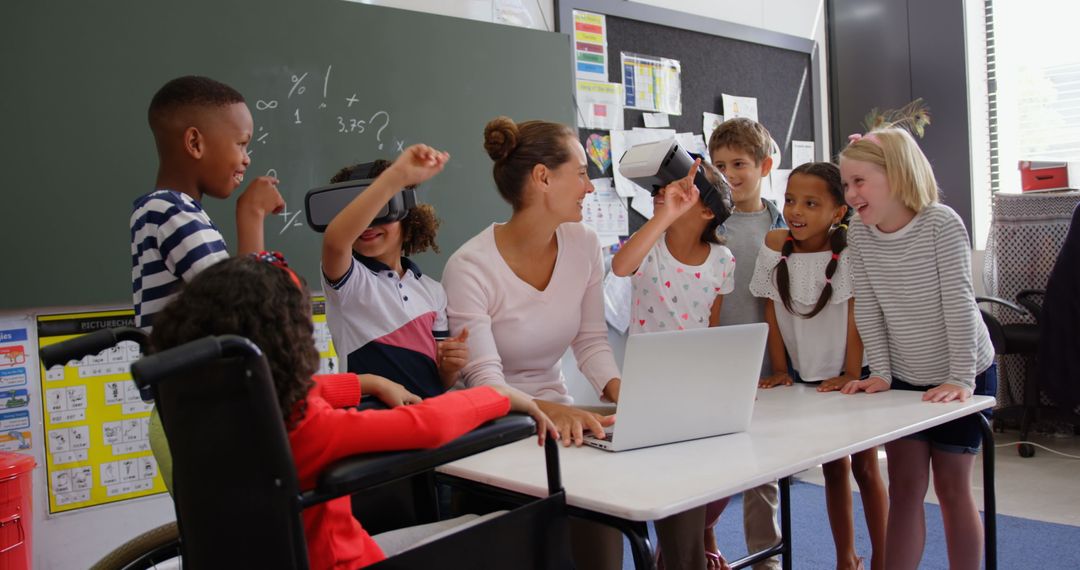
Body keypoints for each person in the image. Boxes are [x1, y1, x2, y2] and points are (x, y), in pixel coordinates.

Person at [148, 253, 555, 569]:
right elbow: (427, 425)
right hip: (342, 561)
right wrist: (499, 396)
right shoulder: (305, 427)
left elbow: (311, 388)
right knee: (513, 526)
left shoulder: (204, 410)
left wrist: (366, 383)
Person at [441, 116, 622, 569]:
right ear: (543, 177)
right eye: (580, 173)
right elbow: (485, 383)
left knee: (628, 478)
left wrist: (629, 396)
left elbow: (592, 343)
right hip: (494, 430)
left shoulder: (583, 244)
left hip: (558, 417)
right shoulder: (470, 267)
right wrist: (552, 411)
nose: (588, 186)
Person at [839, 128, 996, 570]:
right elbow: (868, 308)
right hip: (906, 376)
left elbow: (961, 307)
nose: (850, 194)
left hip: (964, 368)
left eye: (859, 181)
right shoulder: (860, 234)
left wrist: (960, 379)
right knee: (906, 486)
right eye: (846, 184)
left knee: (951, 487)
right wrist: (883, 373)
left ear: (897, 175)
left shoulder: (940, 223)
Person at [130, 75, 284, 491]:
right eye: (242, 143)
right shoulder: (168, 209)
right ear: (195, 143)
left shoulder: (178, 212)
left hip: (192, 408)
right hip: (194, 412)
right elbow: (243, 307)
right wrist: (250, 216)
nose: (248, 158)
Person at [748, 162, 887, 570]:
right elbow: (771, 311)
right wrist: (779, 367)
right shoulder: (775, 245)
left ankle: (883, 557)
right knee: (833, 468)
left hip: (851, 375)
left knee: (864, 464)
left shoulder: (848, 250)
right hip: (808, 376)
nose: (796, 211)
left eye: (811, 203)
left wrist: (850, 372)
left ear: (838, 212)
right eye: (791, 200)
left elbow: (855, 317)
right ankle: (847, 558)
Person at [611, 159, 735, 569]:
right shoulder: (651, 247)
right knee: (661, 486)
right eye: (661, 189)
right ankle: (676, 556)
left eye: (680, 189)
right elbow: (621, 266)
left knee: (696, 487)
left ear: (707, 210)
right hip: (649, 391)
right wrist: (663, 217)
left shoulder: (722, 260)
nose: (663, 193)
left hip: (696, 391)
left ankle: (682, 555)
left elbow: (712, 325)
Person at [321, 146, 469, 401]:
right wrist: (396, 177)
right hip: (375, 421)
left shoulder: (432, 291)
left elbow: (440, 382)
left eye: (382, 211)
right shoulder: (350, 282)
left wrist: (450, 367)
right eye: (361, 213)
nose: (368, 224)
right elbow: (335, 243)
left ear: (406, 214)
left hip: (429, 418)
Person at [708, 117, 785, 569]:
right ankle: (706, 545)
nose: (730, 173)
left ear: (764, 166)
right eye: (720, 165)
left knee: (764, 468)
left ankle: (765, 557)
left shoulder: (781, 221)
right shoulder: (708, 218)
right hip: (719, 357)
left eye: (739, 163)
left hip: (769, 359)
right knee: (714, 463)